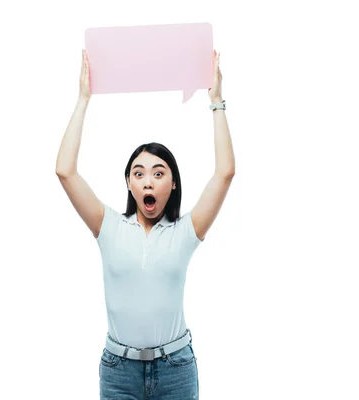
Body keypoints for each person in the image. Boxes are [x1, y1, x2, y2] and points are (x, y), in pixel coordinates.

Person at [55, 48, 235, 399]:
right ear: (129, 184)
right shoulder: (108, 226)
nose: (148, 181)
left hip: (176, 370)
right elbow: (65, 171)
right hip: (118, 373)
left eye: (158, 173)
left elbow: (225, 173)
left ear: (173, 184)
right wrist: (82, 100)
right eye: (138, 174)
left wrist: (217, 102)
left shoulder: (186, 231)